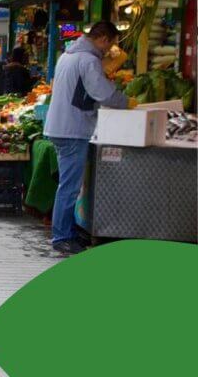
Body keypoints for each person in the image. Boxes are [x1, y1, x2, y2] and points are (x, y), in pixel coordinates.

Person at [44, 21, 130, 254]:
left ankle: (67, 232)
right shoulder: (88, 60)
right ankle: (62, 237)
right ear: (102, 39)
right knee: (69, 187)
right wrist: (126, 102)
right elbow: (101, 92)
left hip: (60, 126)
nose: (108, 50)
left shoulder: (67, 56)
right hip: (72, 129)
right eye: (109, 44)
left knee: (68, 185)